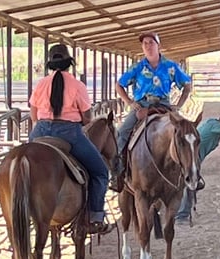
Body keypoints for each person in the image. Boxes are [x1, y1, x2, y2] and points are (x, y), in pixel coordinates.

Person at [28, 43, 114, 234]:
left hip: (40, 131)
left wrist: (41, 125)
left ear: (50, 63)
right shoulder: (77, 85)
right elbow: (87, 117)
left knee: (22, 164)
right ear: (69, 63)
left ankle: (22, 210)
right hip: (69, 132)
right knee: (100, 172)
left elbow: (33, 113)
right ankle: (95, 217)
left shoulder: (41, 84)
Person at [109, 31, 193, 192]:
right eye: (145, 43)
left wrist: (179, 105)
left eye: (151, 43)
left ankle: (190, 170)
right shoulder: (137, 67)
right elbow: (119, 85)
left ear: (158, 45)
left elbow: (187, 85)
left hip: (164, 104)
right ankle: (117, 171)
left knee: (186, 131)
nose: (148, 46)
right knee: (122, 132)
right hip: (142, 105)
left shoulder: (171, 66)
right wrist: (130, 102)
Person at [175, 114, 220, 223]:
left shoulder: (209, 121)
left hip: (193, 156)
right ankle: (182, 216)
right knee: (191, 185)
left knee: (189, 185)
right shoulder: (215, 125)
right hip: (194, 157)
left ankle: (185, 211)